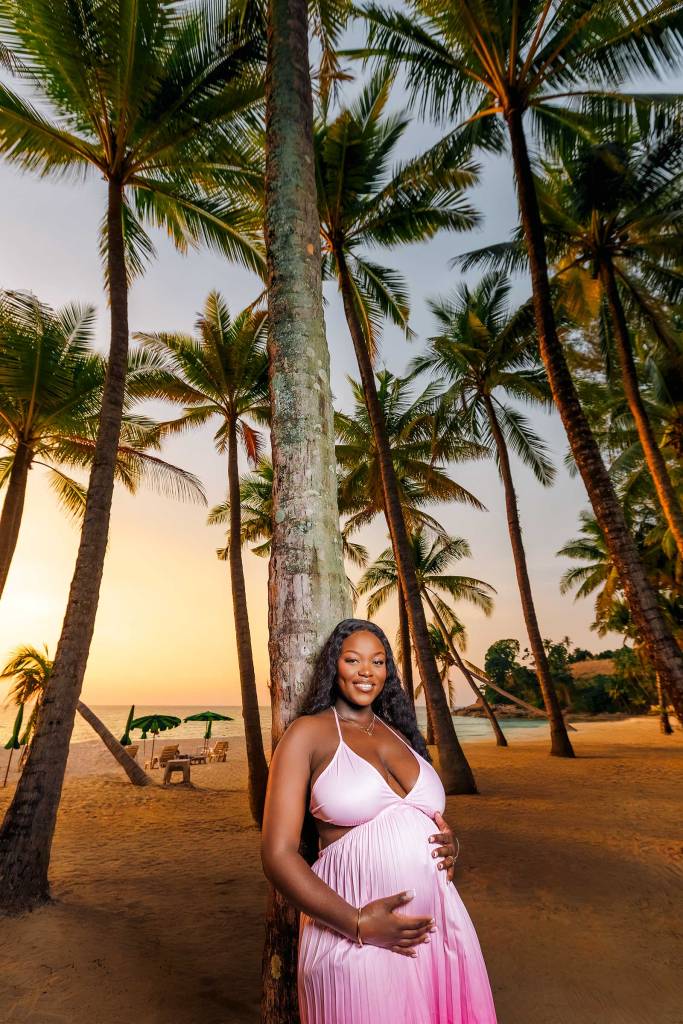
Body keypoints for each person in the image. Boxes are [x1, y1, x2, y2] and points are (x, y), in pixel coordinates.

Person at [261, 618, 497, 1023]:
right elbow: (277, 854)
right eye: (353, 660)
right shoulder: (308, 734)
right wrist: (357, 923)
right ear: (334, 665)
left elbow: (417, 816)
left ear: (388, 671)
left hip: (439, 931)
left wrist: (448, 846)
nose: (366, 671)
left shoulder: (399, 732)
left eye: (378, 661)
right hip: (355, 934)